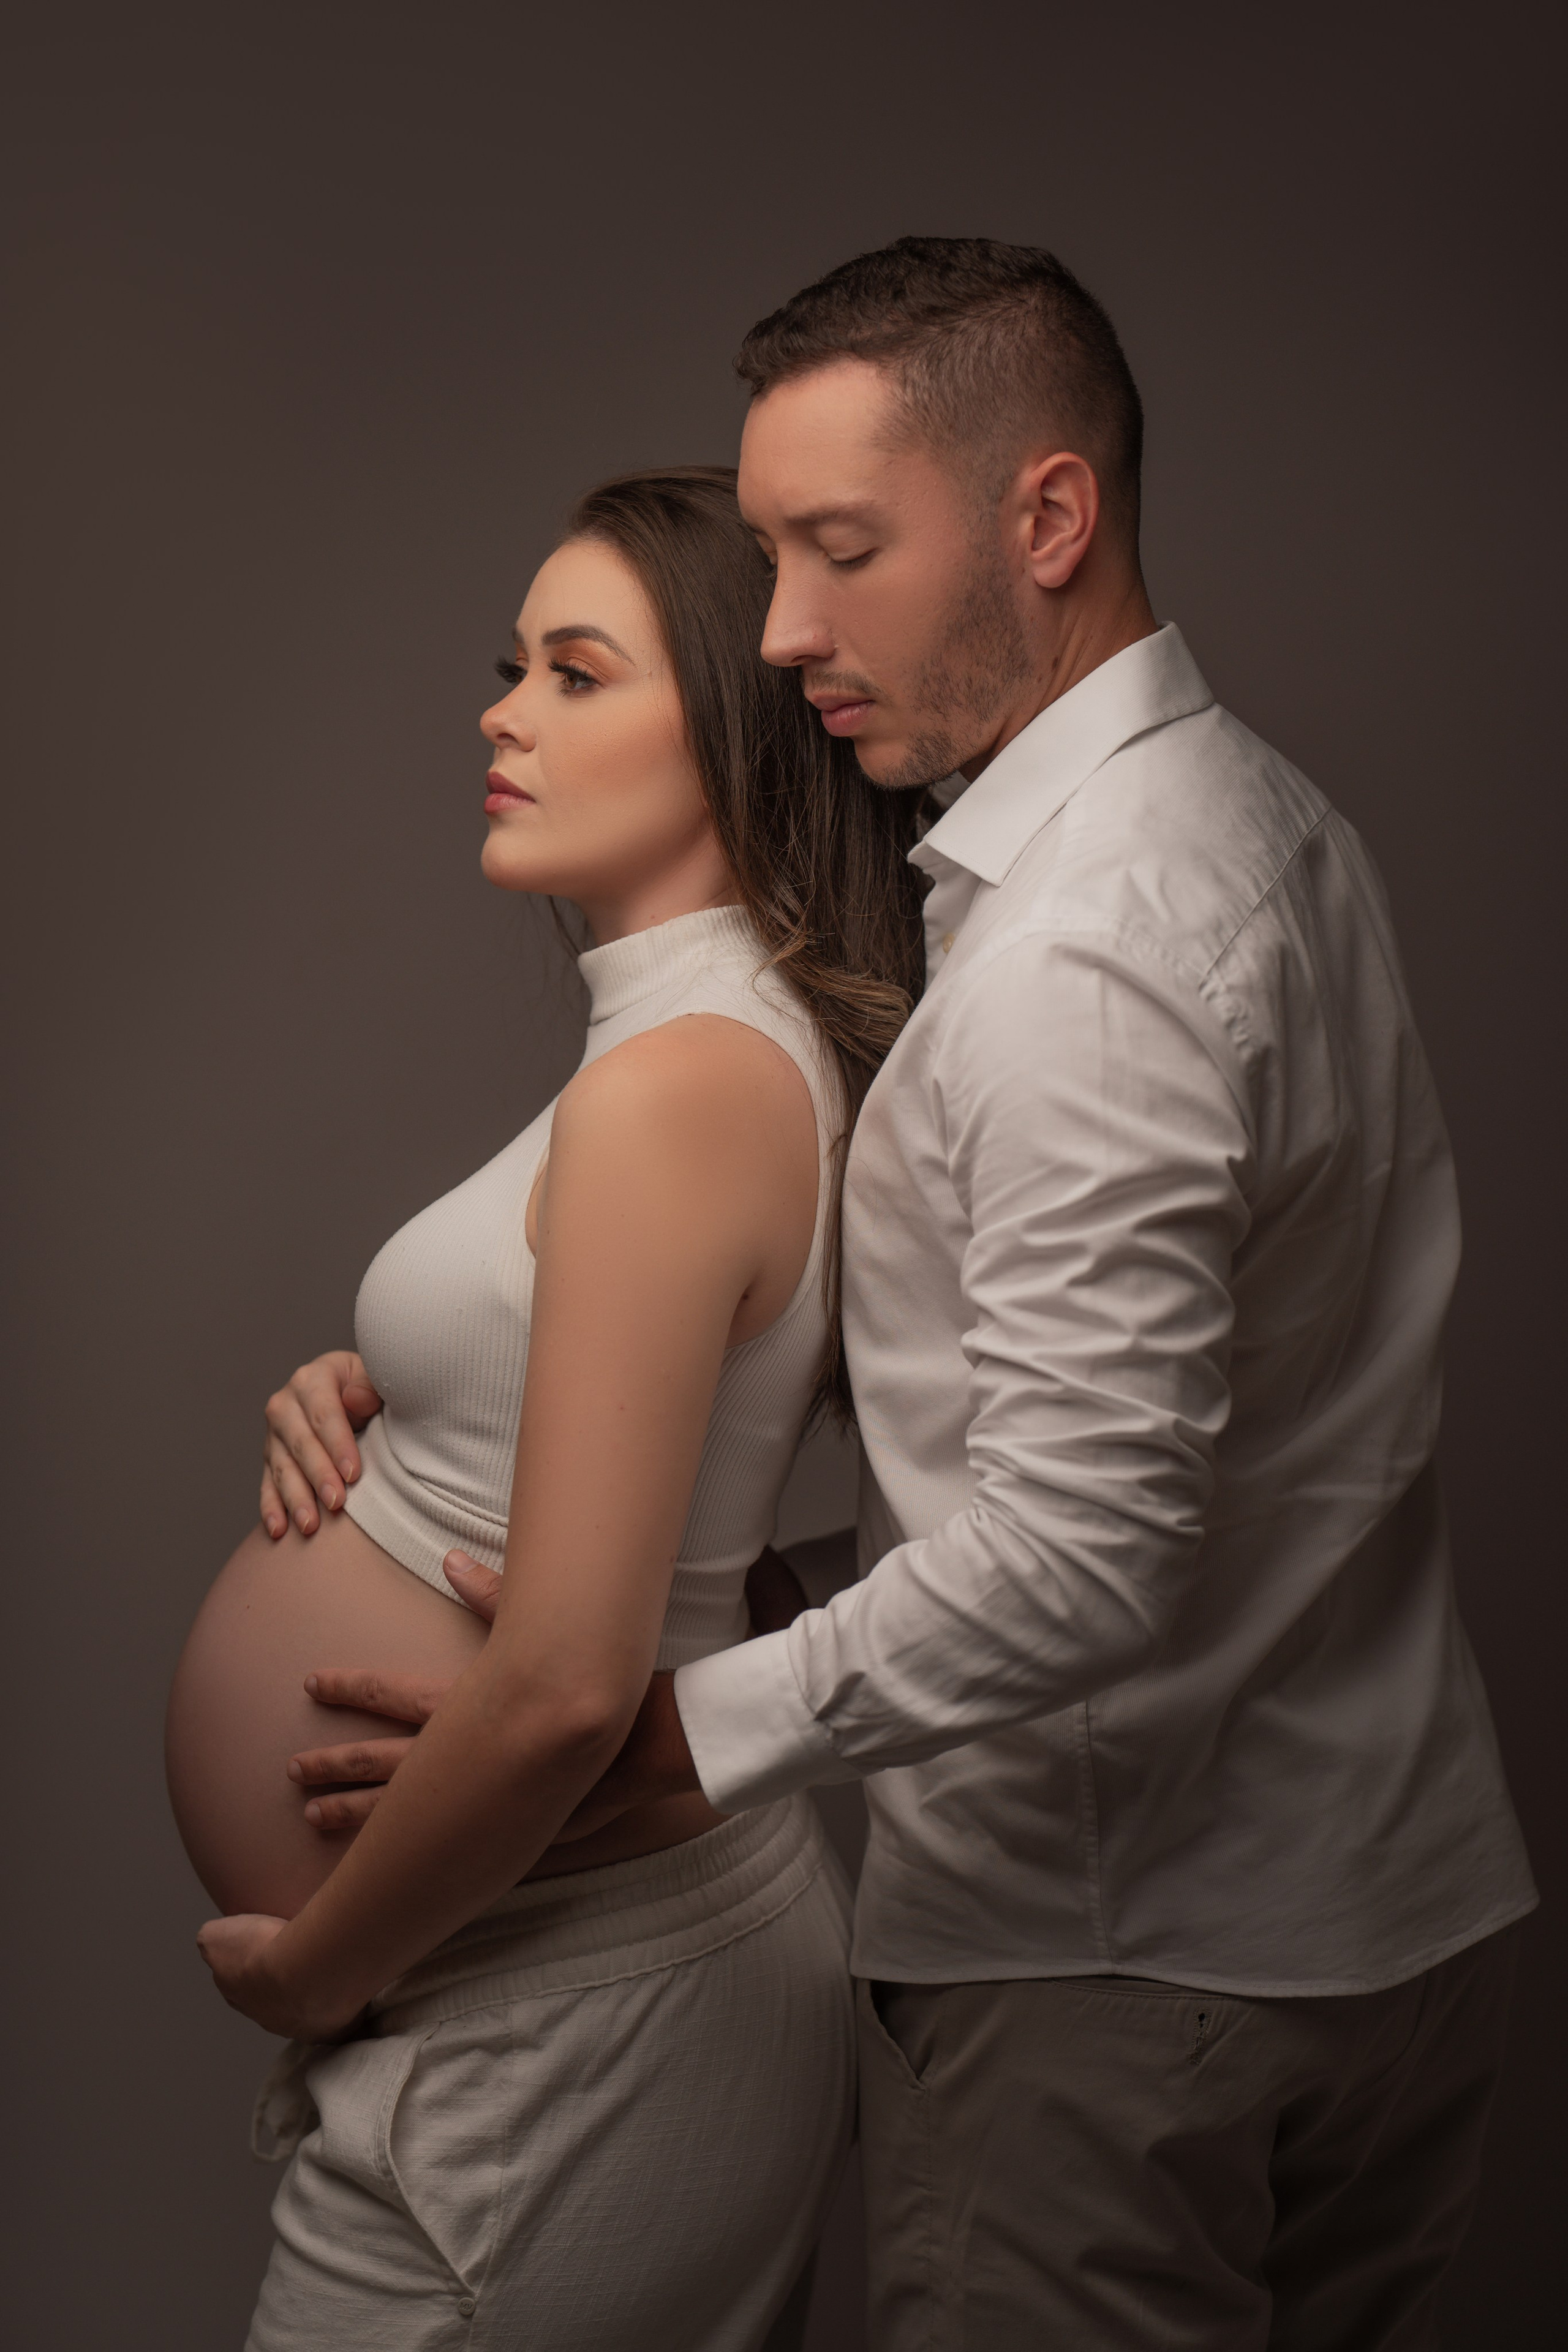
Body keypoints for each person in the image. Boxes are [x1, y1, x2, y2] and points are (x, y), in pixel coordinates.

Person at [277, 241, 1537, 2348]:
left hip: (1122, 1979)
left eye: (840, 552)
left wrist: (682, 1732)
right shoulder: (1267, 832)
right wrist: (447, 1416)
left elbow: (1088, 1546)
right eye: (767, 558)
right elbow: (1162, 1426)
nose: (784, 633)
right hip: (1377, 1910)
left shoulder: (1087, 948)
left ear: (1048, 518)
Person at [181, 464, 927, 2351]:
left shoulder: (678, 1085)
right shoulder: (700, 1049)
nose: (504, 714)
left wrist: (318, 1970)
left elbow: (578, 1676)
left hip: (561, 2004)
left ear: (744, 736)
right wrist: (377, 1401)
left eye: (578, 673)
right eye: (511, 667)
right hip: (544, 1989)